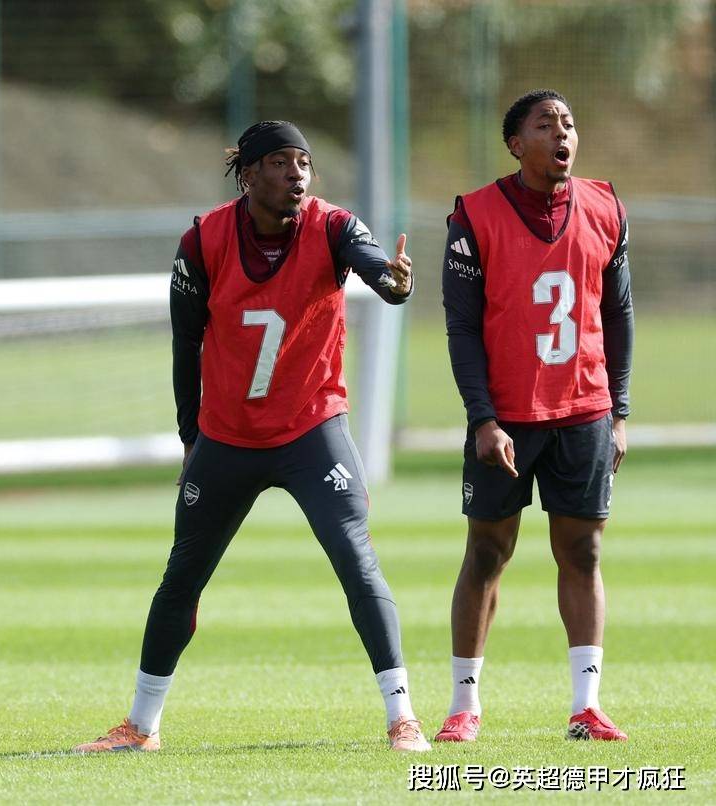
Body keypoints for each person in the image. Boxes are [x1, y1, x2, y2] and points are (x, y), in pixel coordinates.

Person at [75, 120, 431, 754]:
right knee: (182, 575)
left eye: (305, 162)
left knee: (355, 559)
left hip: (311, 429)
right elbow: (186, 343)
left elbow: (380, 272)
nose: (297, 174)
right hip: (228, 436)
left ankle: (402, 716)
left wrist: (394, 280)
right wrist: (191, 438)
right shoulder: (204, 239)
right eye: (282, 162)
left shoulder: (333, 226)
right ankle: (141, 725)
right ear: (248, 174)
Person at [435, 89, 633, 743]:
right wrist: (482, 418)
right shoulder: (476, 215)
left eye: (569, 123)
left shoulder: (605, 206)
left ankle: (587, 706)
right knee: (487, 552)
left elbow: (618, 315)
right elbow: (462, 328)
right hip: (507, 418)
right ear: (516, 144)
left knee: (583, 550)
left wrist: (619, 412)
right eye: (546, 124)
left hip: (584, 410)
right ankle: (464, 705)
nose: (562, 133)